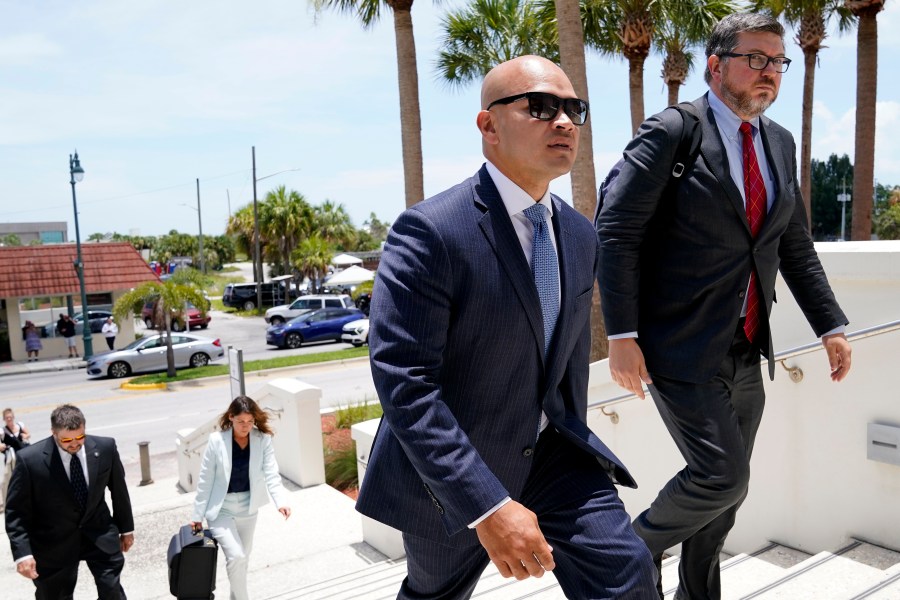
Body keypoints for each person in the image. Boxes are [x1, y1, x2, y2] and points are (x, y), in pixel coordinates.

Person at [356, 55, 657, 599]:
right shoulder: (430, 232)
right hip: (449, 474)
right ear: (488, 125)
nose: (563, 122)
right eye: (541, 107)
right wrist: (486, 503)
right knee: (435, 594)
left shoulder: (579, 235)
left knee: (628, 571)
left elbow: (563, 369)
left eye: (574, 109)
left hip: (552, 456)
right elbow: (404, 381)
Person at [596, 13, 853, 600]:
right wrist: (622, 335)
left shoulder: (779, 142)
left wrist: (830, 324)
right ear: (716, 65)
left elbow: (793, 243)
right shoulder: (672, 132)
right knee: (720, 477)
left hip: (746, 347)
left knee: (727, 500)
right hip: (680, 346)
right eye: (755, 59)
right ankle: (625, 557)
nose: (769, 73)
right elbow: (616, 231)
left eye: (778, 62)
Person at [5, 404, 134, 599]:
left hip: (99, 534)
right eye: (66, 439)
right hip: (53, 543)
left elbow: (119, 491)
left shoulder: (106, 448)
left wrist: (126, 529)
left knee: (112, 593)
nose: (74, 444)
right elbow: (16, 511)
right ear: (54, 433)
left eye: (80, 437)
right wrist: (23, 553)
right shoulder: (30, 460)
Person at [190, 396, 291, 600]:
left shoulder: (262, 440)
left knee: (242, 562)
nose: (245, 426)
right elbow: (205, 480)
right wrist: (197, 515)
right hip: (222, 510)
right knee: (236, 556)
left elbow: (271, 472)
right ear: (231, 417)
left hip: (248, 508)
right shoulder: (216, 441)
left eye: (250, 421)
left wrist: (281, 501)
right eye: (240, 422)